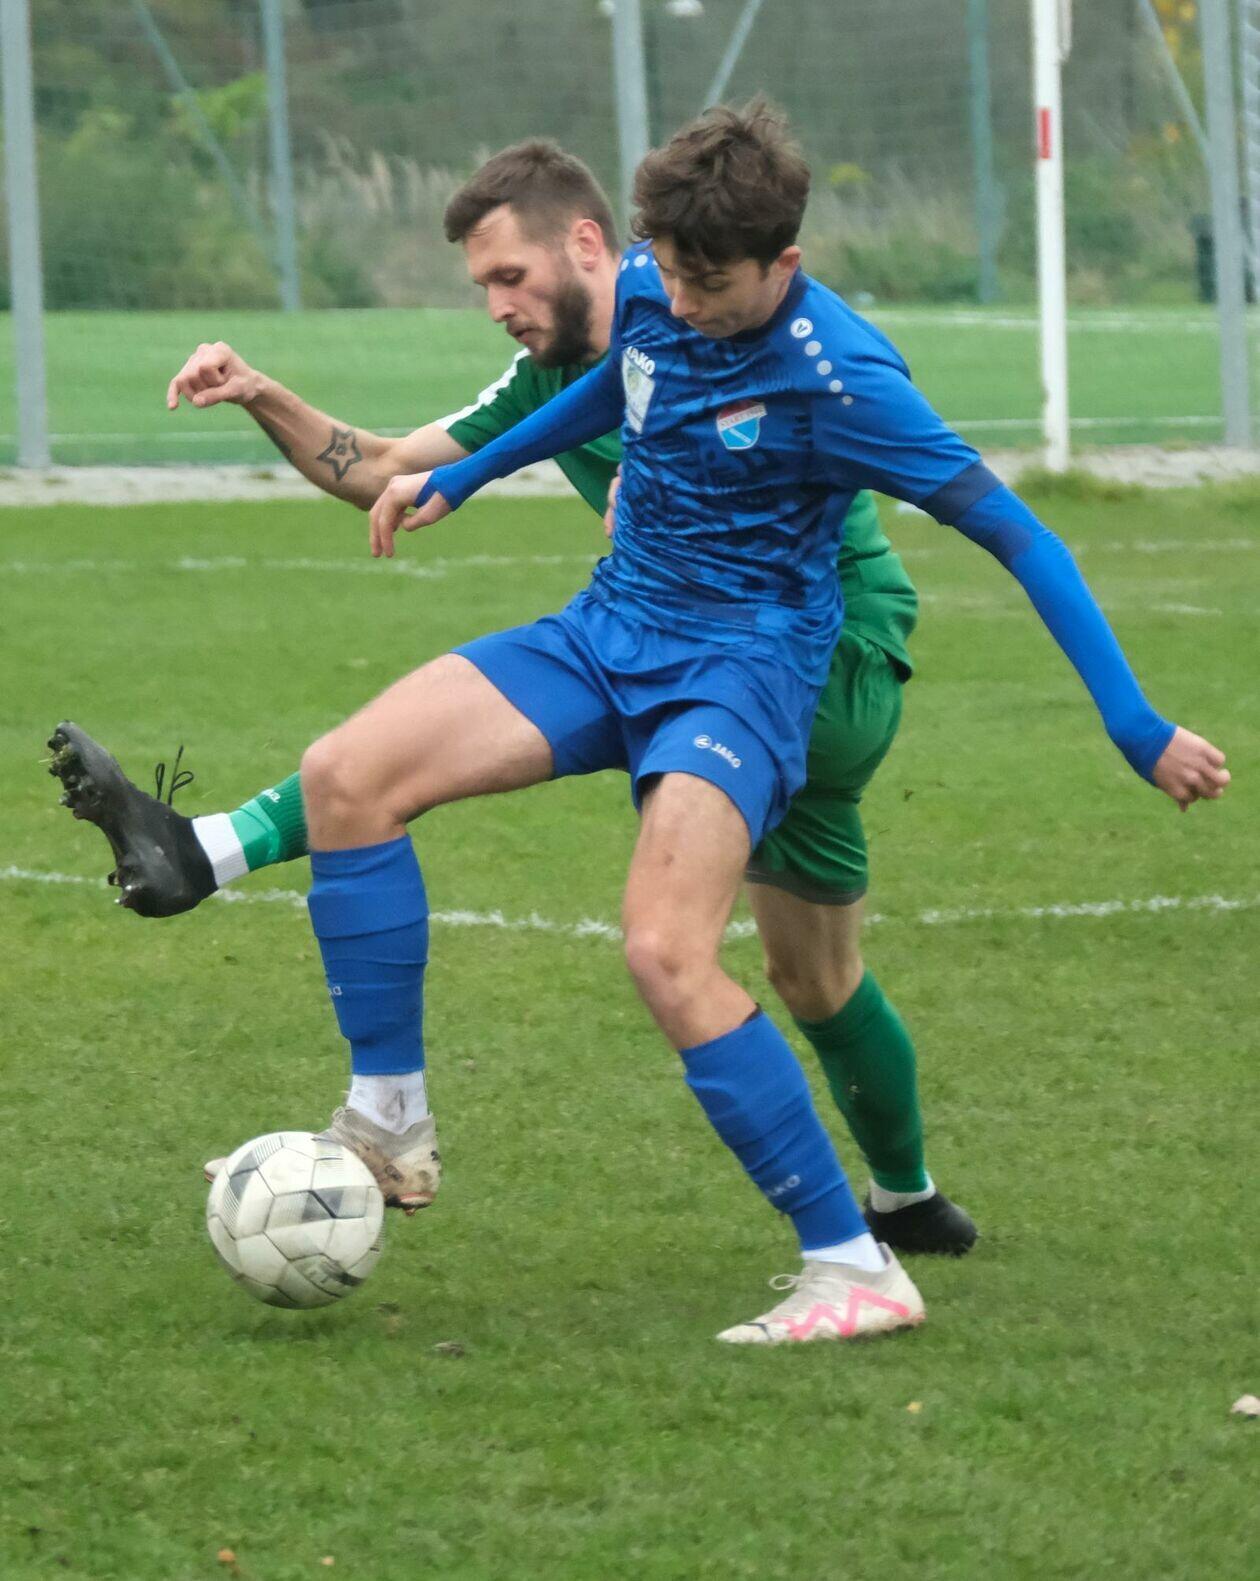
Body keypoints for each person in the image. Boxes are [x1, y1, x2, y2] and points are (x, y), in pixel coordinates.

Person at [54, 102, 1228, 1346]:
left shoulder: (844, 379)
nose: (677, 300)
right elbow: (618, 382)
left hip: (751, 672)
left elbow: (1020, 535)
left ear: (783, 264)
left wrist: (1134, 721)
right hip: (614, 628)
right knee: (349, 774)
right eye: (663, 273)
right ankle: (389, 1114)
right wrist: (462, 474)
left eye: (707, 284)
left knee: (672, 954)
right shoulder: (655, 290)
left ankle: (856, 1267)